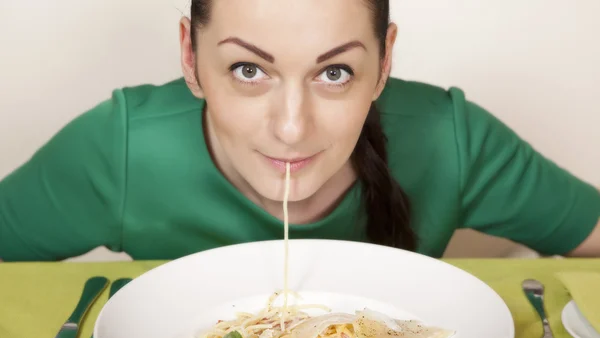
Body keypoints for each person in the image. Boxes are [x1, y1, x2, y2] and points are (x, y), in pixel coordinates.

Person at [0, 0, 599, 262]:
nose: (291, 129)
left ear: (385, 61)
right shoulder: (121, 147)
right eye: (248, 70)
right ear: (189, 55)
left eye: (335, 72)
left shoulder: (451, 136)